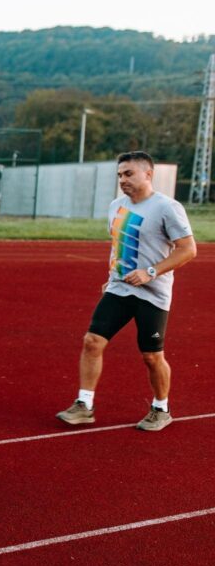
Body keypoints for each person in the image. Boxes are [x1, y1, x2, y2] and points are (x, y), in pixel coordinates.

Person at [57, 151, 197, 432]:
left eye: (129, 174)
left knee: (151, 356)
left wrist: (151, 272)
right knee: (92, 341)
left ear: (148, 174)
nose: (122, 180)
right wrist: (111, 277)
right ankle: (84, 405)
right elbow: (118, 247)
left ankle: (161, 408)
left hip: (153, 293)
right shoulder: (116, 206)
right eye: (120, 175)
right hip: (119, 288)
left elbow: (188, 250)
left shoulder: (167, 208)